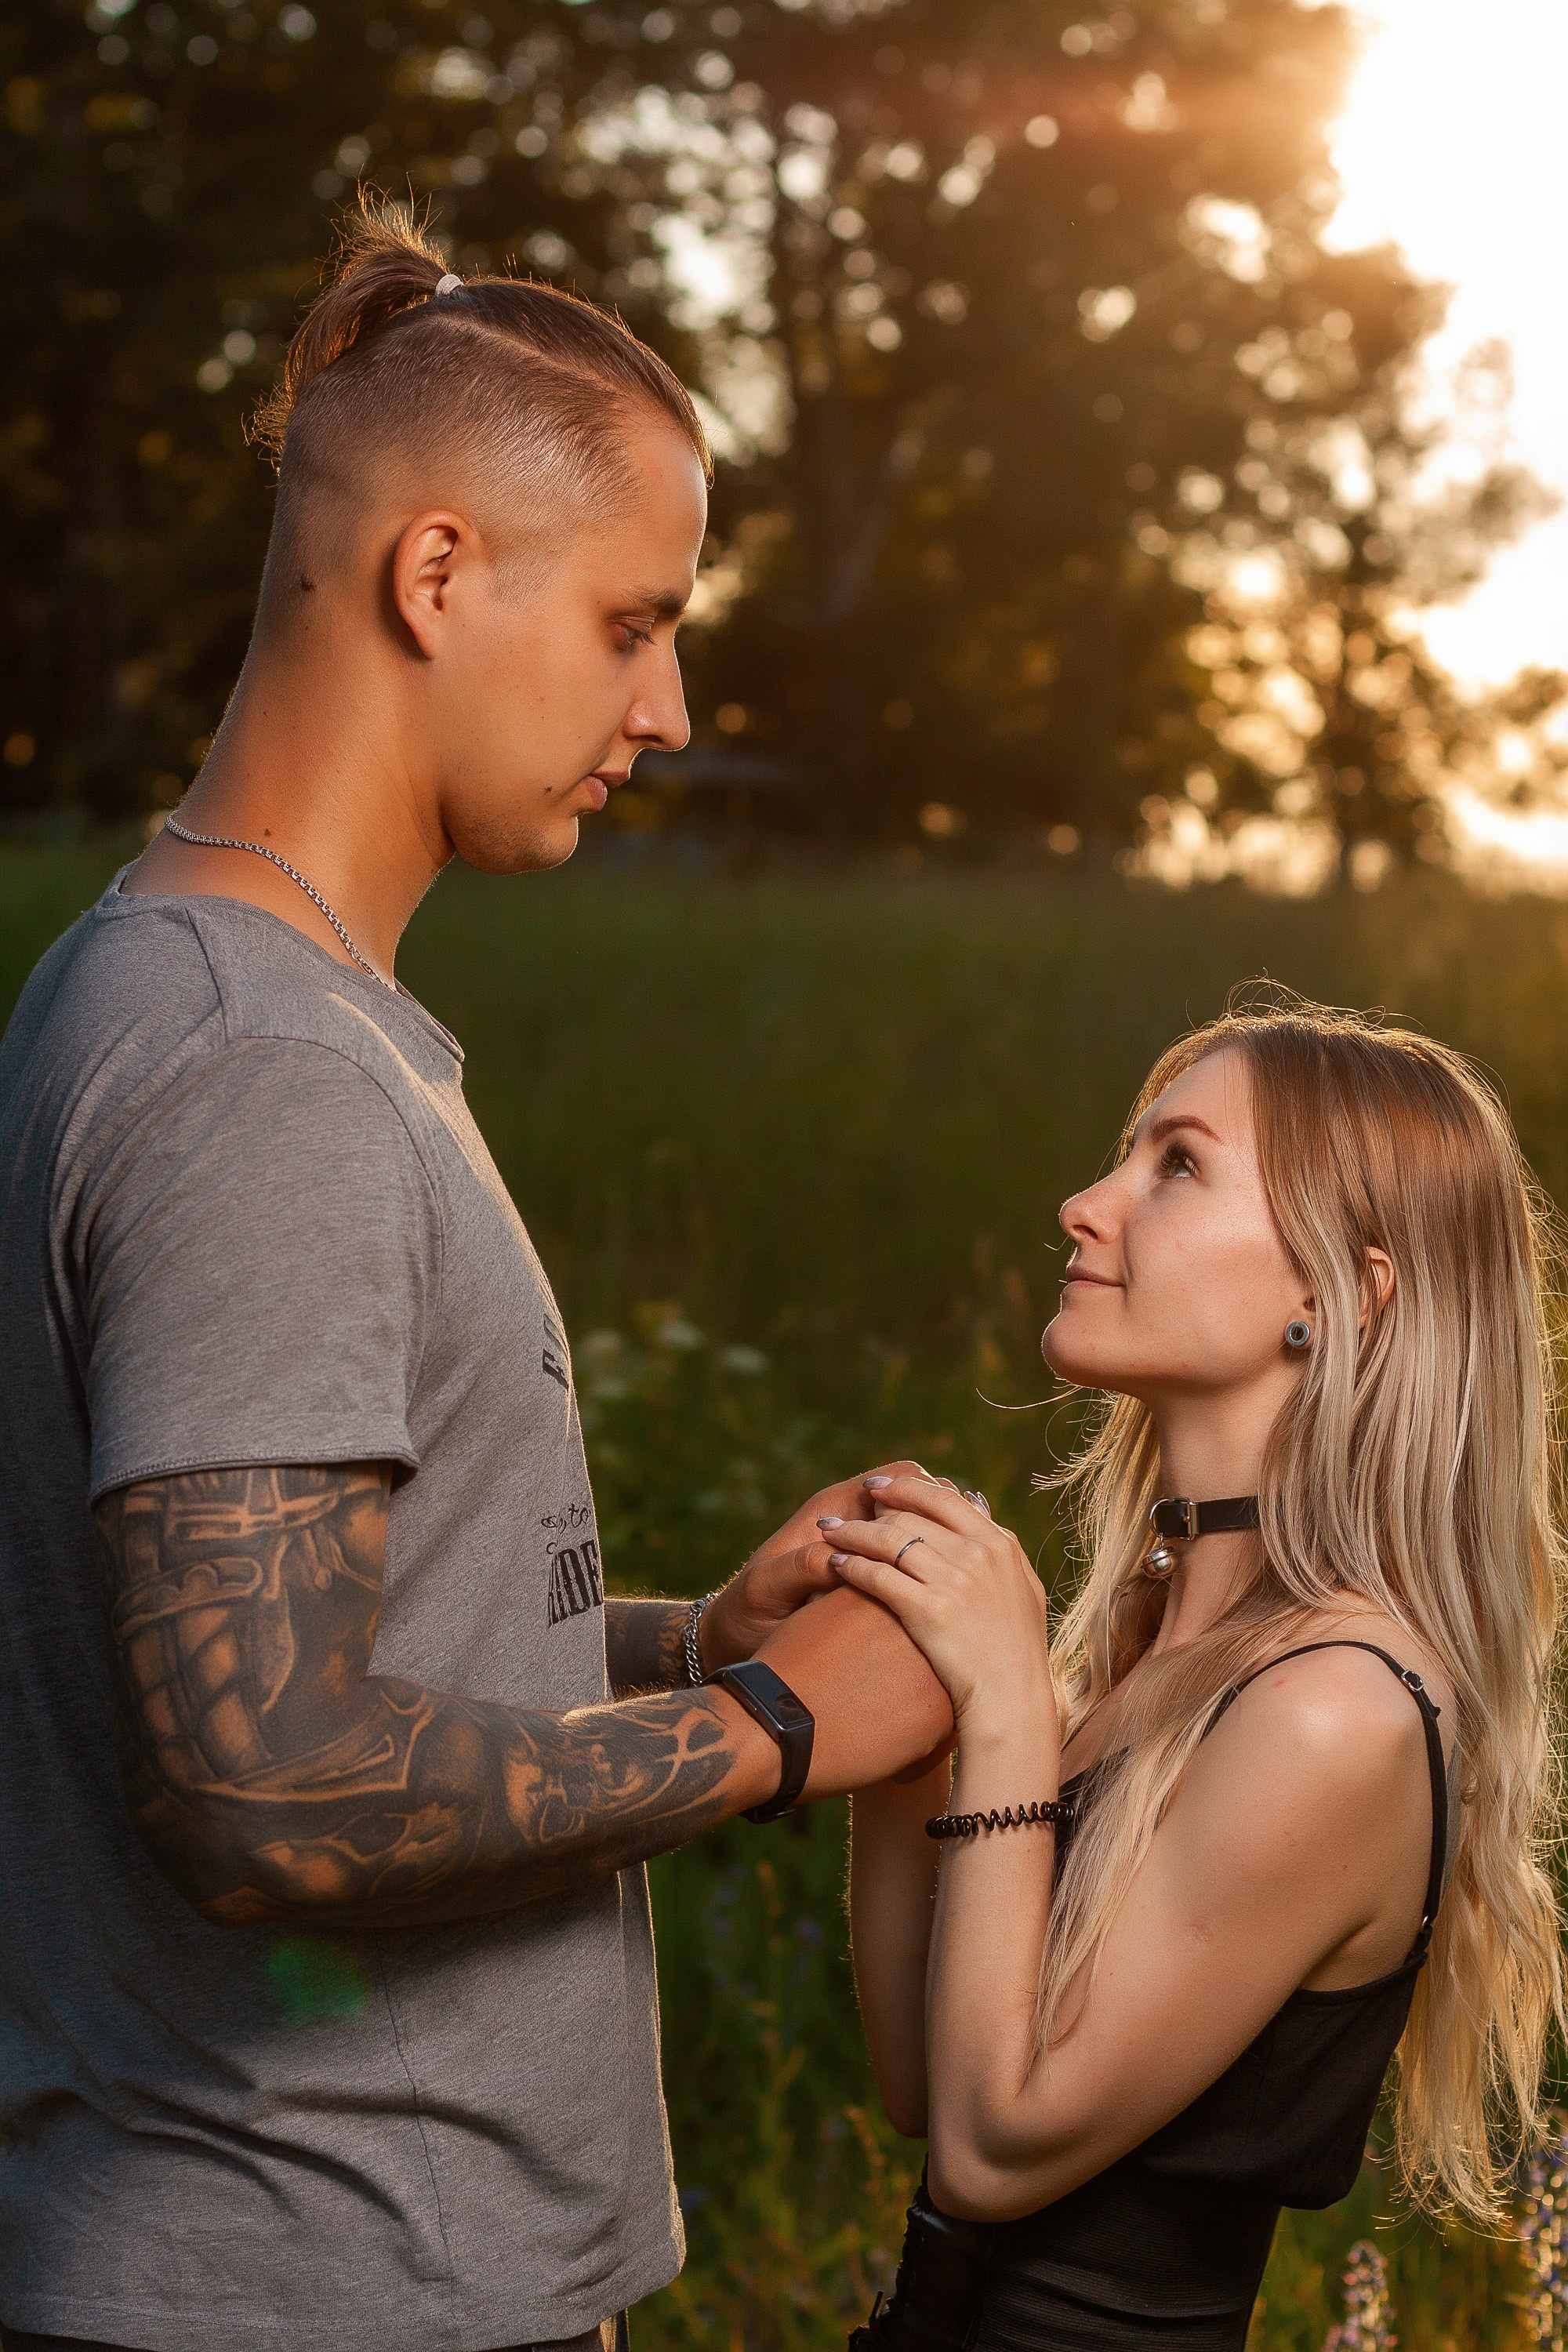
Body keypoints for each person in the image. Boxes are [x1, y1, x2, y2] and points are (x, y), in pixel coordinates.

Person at [0, 198, 952, 2352]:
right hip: (318, 2289)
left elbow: (251, 1639)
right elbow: (260, 1781)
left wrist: (686, 1633)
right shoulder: (258, 1070)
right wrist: (778, 1731)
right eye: (634, 621)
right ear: (438, 575)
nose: (675, 703)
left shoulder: (213, 1001)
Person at [829, 1000, 1565, 2350]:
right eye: (1128, 1153)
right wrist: (910, 1734)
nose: (1081, 1205)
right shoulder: (1159, 1647)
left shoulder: (1335, 1708)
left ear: (1343, 1292)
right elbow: (928, 2085)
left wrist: (1002, 1715)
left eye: (1177, 1165)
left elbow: (993, 2155)